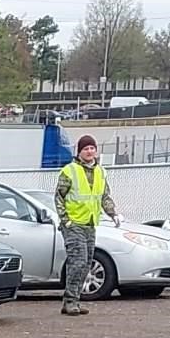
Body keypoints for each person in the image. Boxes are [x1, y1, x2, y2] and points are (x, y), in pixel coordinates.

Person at [54, 134, 117, 315]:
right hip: (74, 224)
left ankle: (74, 300)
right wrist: (65, 220)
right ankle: (70, 300)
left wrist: (113, 213)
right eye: (86, 149)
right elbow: (59, 197)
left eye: (92, 148)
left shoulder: (101, 172)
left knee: (87, 263)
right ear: (79, 152)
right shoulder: (69, 170)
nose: (89, 152)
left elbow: (104, 197)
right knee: (78, 261)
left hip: (90, 223)